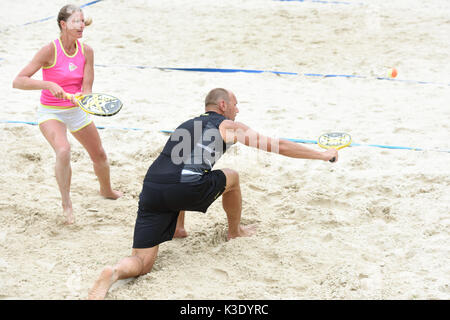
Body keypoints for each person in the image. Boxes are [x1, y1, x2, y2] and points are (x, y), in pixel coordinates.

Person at [88, 88, 338, 299]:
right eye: (235, 105)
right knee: (232, 177)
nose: (237, 110)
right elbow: (278, 145)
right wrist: (321, 154)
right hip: (185, 188)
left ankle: (115, 272)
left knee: (142, 262)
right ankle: (234, 231)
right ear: (222, 105)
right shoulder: (227, 125)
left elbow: (177, 165)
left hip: (152, 187)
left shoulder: (186, 124)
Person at [12, 5, 122, 225]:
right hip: (51, 112)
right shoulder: (49, 50)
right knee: (63, 150)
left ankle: (106, 190)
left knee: (99, 154)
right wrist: (48, 84)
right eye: (76, 21)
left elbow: (87, 87)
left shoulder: (87, 51)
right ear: (63, 24)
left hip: (75, 110)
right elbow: (18, 81)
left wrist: (83, 97)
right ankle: (66, 204)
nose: (81, 25)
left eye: (82, 21)